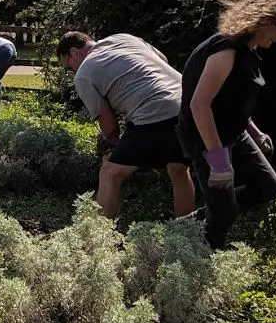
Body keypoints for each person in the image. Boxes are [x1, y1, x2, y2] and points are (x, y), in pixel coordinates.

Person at [177, 0, 276, 249]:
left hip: (235, 132)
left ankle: (194, 221)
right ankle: (204, 258)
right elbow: (200, 105)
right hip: (207, 137)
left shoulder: (248, 50)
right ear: (263, 18)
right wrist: (219, 163)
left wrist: (255, 131)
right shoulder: (225, 51)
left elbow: (232, 102)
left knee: (269, 188)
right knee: (224, 213)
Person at [56, 31, 195, 220]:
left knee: (110, 173)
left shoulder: (83, 75)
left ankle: (97, 237)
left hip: (154, 112)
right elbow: (162, 58)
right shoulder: (123, 38)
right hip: (189, 104)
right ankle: (188, 231)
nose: (72, 71)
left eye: (68, 67)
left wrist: (112, 146)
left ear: (74, 52)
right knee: (178, 169)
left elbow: (110, 128)